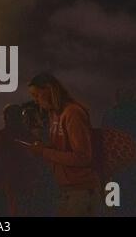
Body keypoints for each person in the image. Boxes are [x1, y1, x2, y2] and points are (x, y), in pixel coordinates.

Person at [27, 73, 101, 217]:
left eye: (36, 95)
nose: (35, 100)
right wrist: (44, 148)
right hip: (67, 190)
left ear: (49, 90)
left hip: (81, 191)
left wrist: (44, 152)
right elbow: (62, 149)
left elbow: (83, 157)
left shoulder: (73, 113)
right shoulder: (55, 115)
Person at [0, 104, 38, 216]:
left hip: (8, 183)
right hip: (28, 181)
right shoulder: (29, 136)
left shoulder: (1, 137)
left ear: (5, 117)